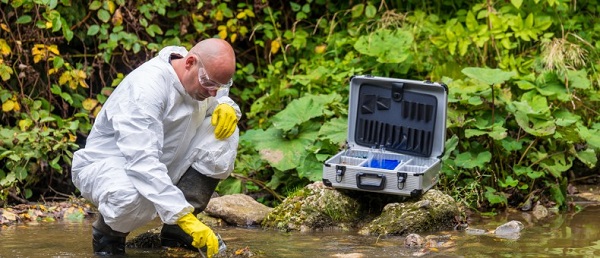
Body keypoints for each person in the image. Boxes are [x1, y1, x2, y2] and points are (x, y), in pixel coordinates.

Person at [71, 38, 240, 257]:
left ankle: (177, 230)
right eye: (209, 84)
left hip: (165, 162)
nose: (213, 93)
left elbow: (218, 96)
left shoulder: (201, 80)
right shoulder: (147, 88)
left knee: (224, 131)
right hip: (113, 168)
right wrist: (181, 213)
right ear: (189, 62)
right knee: (129, 193)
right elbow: (142, 162)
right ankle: (109, 237)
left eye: (220, 86)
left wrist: (227, 106)